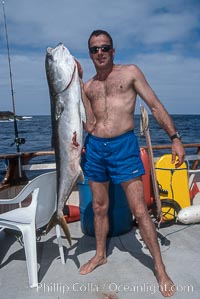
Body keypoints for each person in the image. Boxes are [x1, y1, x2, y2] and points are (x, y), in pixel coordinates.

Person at [79, 29, 185, 297]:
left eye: (105, 47)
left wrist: (174, 138)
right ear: (90, 54)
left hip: (123, 147)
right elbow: (87, 122)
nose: (100, 52)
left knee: (139, 211)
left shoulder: (130, 73)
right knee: (100, 207)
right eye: (95, 49)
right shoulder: (87, 87)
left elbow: (155, 105)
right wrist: (75, 79)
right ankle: (101, 255)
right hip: (94, 149)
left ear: (113, 50)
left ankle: (160, 269)